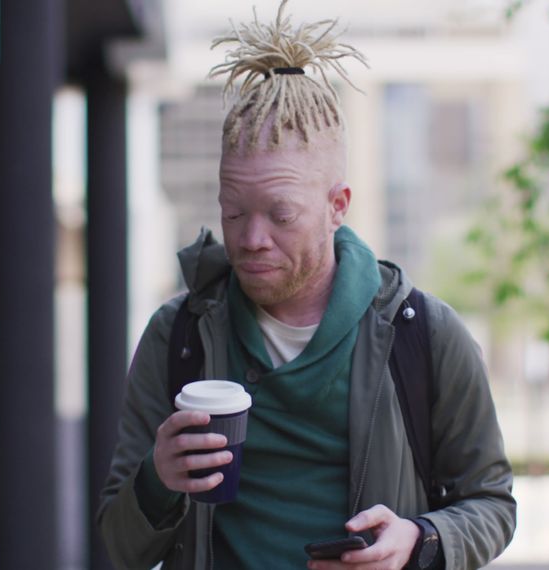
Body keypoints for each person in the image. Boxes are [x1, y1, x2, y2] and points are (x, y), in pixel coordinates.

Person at [97, 2, 516, 568]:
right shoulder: (179, 336)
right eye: (234, 212)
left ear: (337, 206)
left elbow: (492, 504)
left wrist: (421, 540)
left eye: (281, 214)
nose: (251, 239)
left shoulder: (425, 334)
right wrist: (158, 478)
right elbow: (116, 546)